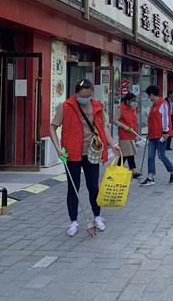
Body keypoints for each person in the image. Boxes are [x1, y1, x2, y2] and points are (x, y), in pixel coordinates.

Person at [49, 79, 120, 237]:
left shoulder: (97, 106)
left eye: (88, 95)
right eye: (82, 96)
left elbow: (103, 128)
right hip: (72, 153)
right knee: (73, 188)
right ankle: (73, 221)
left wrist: (113, 144)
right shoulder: (66, 107)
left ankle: (97, 216)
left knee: (93, 187)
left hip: (92, 153)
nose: (85, 98)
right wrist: (58, 148)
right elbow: (52, 127)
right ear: (76, 94)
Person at [140, 85, 173, 186]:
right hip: (152, 135)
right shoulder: (155, 104)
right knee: (150, 156)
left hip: (161, 135)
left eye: (149, 95)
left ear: (152, 94)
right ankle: (150, 177)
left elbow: (165, 119)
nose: (149, 98)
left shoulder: (163, 104)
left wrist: (165, 132)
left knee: (161, 155)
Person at [113, 92, 142, 180]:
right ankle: (132, 171)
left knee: (127, 154)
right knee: (127, 154)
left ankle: (120, 170)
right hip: (124, 135)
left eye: (135, 101)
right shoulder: (121, 108)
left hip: (132, 134)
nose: (134, 103)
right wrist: (125, 127)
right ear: (127, 100)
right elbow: (114, 120)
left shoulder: (133, 109)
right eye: (132, 101)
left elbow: (134, 121)